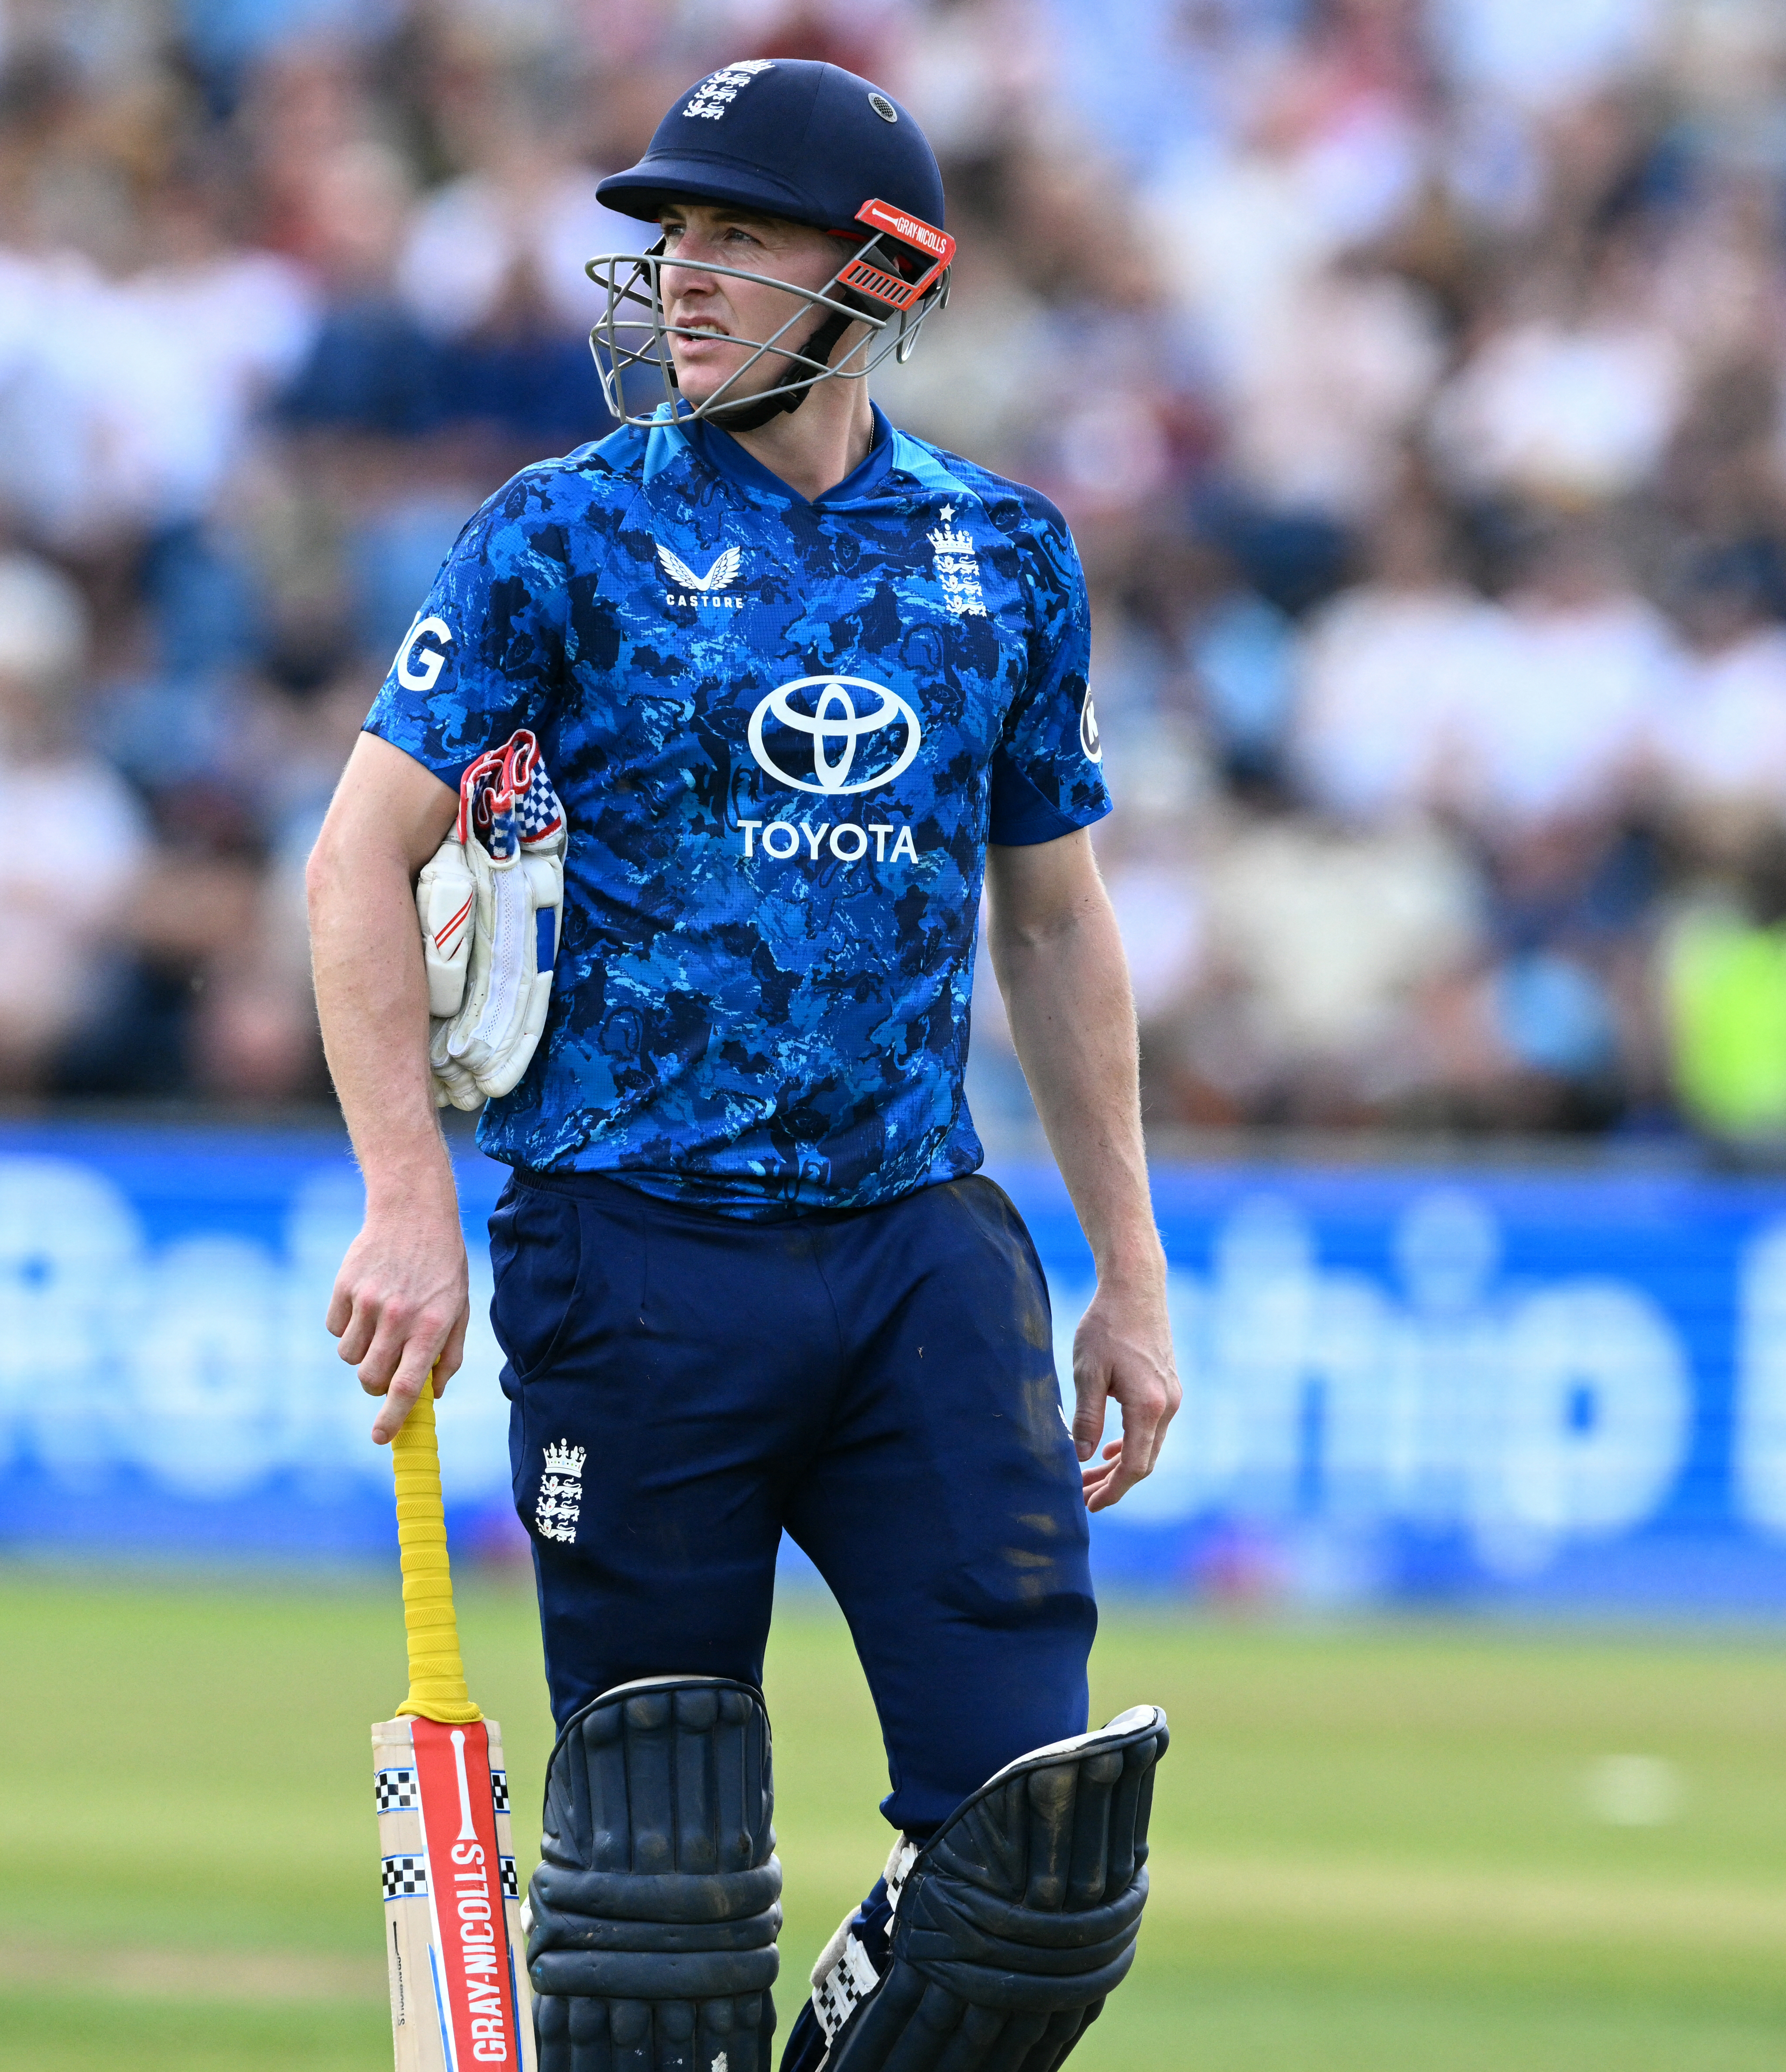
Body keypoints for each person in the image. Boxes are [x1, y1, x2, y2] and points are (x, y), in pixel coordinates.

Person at [305, 60, 1176, 2072]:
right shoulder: (558, 539)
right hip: (633, 1256)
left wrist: (1126, 1263)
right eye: (666, 235)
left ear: (876, 274)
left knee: (1041, 1860)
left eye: (734, 236)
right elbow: (361, 856)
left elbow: (1052, 918)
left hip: (917, 1260)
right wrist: (406, 1207)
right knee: (654, 1912)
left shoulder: (1003, 553)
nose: (679, 274)